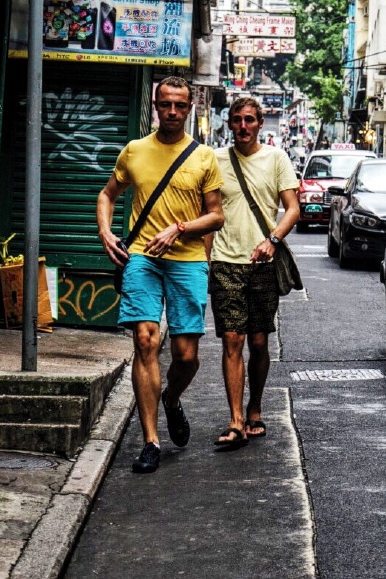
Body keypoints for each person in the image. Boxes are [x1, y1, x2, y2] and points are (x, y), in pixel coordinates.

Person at [97, 77, 225, 474]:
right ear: (156, 105)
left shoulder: (203, 157)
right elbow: (107, 195)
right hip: (142, 258)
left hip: (187, 260)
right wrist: (105, 233)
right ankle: (150, 440)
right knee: (145, 340)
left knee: (186, 356)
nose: (171, 111)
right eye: (165, 104)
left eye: (179, 106)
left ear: (190, 109)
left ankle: (171, 399)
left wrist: (180, 228)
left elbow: (216, 215)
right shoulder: (135, 151)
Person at [209, 97, 300, 449]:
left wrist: (273, 240)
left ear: (261, 123)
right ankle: (234, 420)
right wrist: (206, 261)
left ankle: (255, 407)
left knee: (259, 341)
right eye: (237, 120)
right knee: (233, 339)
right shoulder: (214, 160)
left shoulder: (276, 159)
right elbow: (209, 212)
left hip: (263, 263)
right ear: (228, 123)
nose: (243, 126)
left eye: (249, 120)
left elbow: (292, 208)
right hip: (226, 260)